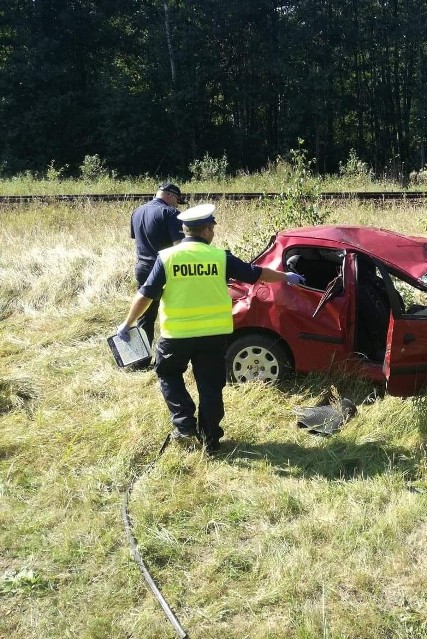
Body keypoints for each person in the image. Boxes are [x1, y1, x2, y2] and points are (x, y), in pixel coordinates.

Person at [117, 204, 305, 454]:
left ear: (185, 231)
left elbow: (145, 295)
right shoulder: (220, 257)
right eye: (212, 227)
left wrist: (128, 323)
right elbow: (256, 274)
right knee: (210, 386)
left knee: (169, 375)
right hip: (213, 336)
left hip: (177, 335)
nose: (213, 231)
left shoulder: (167, 258)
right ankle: (211, 440)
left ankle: (184, 425)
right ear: (205, 230)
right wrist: (286, 277)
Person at [129, 182, 187, 365]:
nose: (177, 205)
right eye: (177, 200)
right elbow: (179, 246)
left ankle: (140, 361)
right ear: (170, 196)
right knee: (173, 313)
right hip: (165, 269)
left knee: (146, 315)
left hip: (143, 268)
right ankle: (170, 357)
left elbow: (138, 241)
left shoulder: (137, 212)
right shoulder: (171, 213)